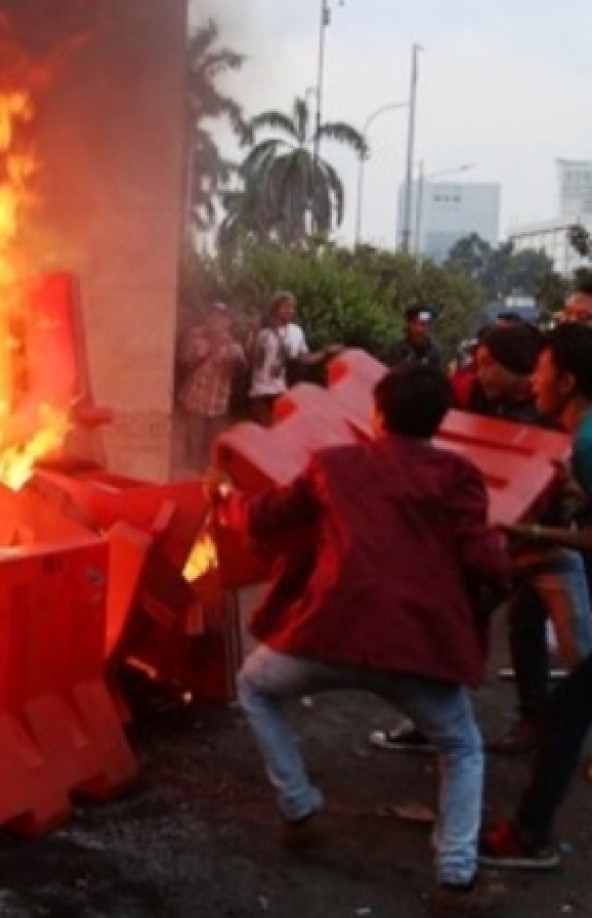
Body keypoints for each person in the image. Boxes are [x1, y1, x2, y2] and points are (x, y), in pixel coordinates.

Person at [208, 363, 511, 915]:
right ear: (440, 420)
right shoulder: (458, 476)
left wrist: (224, 498)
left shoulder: (333, 465)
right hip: (420, 647)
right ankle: (456, 875)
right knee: (463, 747)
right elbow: (483, 557)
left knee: (254, 687)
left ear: (376, 413)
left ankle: (299, 806)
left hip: (328, 631)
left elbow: (264, 520)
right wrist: (507, 563)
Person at [370, 323, 592, 755]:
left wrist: (543, 516)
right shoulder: (480, 401)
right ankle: (446, 720)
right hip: (503, 548)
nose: (481, 371)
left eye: (491, 364)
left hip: (547, 549)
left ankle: (542, 736)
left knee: (578, 650)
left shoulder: (568, 429)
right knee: (462, 626)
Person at [480, 322, 592, 869]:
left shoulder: (589, 440)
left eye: (543, 371)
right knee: (570, 704)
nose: (535, 380)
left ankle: (529, 835)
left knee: (570, 708)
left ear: (566, 381)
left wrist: (536, 534)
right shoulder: (582, 439)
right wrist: (573, 491)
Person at [246, 291, 339, 427]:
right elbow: (253, 361)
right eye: (286, 307)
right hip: (260, 392)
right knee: (269, 430)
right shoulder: (263, 332)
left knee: (281, 429)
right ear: (276, 309)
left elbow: (305, 358)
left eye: (292, 307)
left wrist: (326, 352)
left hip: (281, 391)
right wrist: (254, 336)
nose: (291, 310)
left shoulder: (296, 332)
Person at [177, 303, 244, 471]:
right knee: (193, 443)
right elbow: (186, 361)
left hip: (218, 403)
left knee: (214, 445)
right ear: (208, 319)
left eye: (223, 318)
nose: (218, 321)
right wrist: (207, 348)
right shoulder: (196, 339)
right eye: (214, 316)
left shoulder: (234, 347)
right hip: (196, 400)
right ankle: (188, 475)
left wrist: (230, 351)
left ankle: (205, 477)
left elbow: (240, 368)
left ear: (228, 323)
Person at [386, 303, 443, 369]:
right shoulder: (396, 349)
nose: (419, 329)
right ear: (409, 325)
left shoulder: (434, 353)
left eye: (424, 325)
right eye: (416, 324)